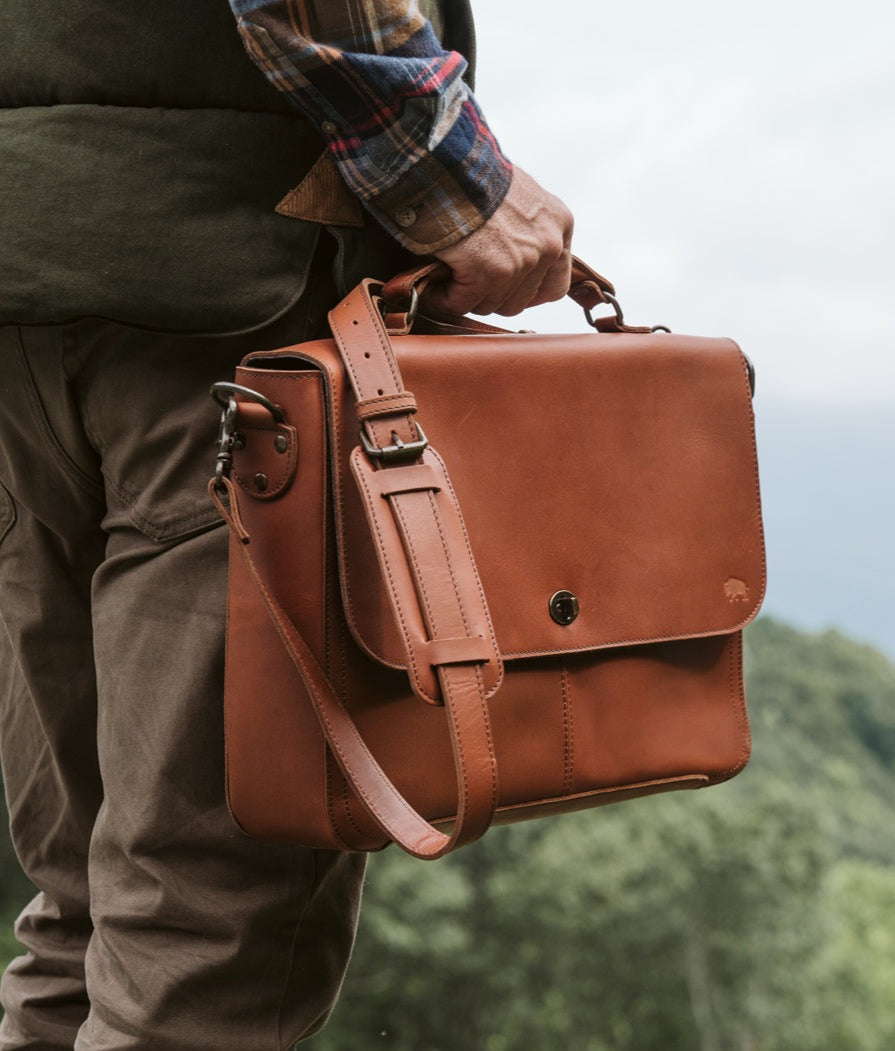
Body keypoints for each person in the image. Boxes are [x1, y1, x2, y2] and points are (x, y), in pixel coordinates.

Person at [0, 1, 573, 1047]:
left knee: (87, 903)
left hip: (28, 278)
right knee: (204, 931)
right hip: (224, 299)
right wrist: (456, 180)